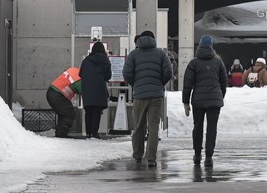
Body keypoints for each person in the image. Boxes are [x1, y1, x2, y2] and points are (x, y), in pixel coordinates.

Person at [123, 29, 173, 168]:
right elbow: (168, 72)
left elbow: (126, 73)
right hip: (156, 95)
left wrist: (136, 84)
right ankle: (151, 158)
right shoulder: (161, 54)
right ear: (153, 39)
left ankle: (138, 155)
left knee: (139, 126)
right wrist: (159, 83)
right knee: (154, 126)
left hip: (139, 95)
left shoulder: (133, 54)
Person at [182, 35, 228, 167]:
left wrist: (186, 102)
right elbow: (223, 82)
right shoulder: (218, 62)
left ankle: (197, 155)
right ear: (211, 46)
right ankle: (209, 157)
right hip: (215, 101)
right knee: (212, 129)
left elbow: (187, 84)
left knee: (198, 128)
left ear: (199, 46)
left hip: (198, 101)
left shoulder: (194, 63)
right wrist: (220, 96)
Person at [78, 41, 112, 139]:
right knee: (97, 110)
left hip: (87, 87)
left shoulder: (86, 60)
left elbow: (80, 74)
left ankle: (88, 133)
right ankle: (94, 133)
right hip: (99, 87)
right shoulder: (105, 60)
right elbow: (108, 75)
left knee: (88, 110)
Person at [46, 66, 81, 138]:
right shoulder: (79, 79)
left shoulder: (74, 70)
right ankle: (61, 135)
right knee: (69, 114)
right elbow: (84, 91)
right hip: (58, 95)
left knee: (63, 114)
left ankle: (60, 134)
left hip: (52, 92)